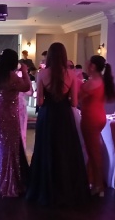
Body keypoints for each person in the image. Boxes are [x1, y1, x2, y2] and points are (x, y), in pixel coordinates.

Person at [26, 42, 89, 206]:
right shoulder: (71, 74)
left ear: (50, 56)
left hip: (47, 115)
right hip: (64, 115)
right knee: (65, 150)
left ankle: (46, 187)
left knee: (46, 148)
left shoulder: (42, 73)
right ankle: (65, 187)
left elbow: (40, 101)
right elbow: (74, 102)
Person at [0, 49, 31, 197]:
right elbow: (26, 87)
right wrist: (24, 72)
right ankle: (7, 183)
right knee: (8, 148)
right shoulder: (11, 76)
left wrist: (0, 97)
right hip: (7, 114)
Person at [80, 55, 115, 196]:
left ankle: (98, 186)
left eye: (89, 63)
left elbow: (77, 98)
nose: (86, 65)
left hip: (91, 118)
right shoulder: (101, 80)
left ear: (93, 66)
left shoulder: (92, 82)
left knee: (93, 152)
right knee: (92, 151)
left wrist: (76, 81)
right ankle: (91, 181)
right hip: (99, 116)